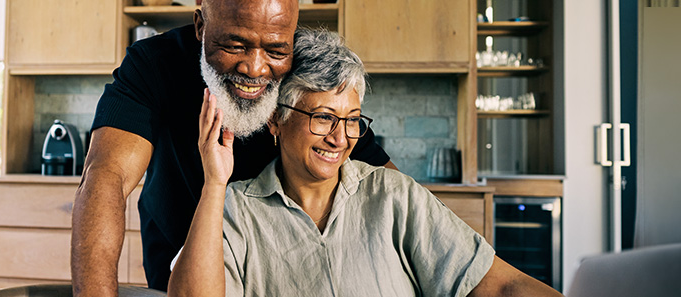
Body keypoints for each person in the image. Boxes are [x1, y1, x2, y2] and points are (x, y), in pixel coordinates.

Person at [167, 28, 563, 297]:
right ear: (276, 119)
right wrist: (215, 183)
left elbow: (498, 285)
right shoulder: (235, 208)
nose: (340, 139)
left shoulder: (395, 196)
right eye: (323, 117)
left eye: (353, 120)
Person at [71, 0, 396, 295]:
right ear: (201, 25)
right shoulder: (154, 64)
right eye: (235, 45)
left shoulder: (306, 66)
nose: (255, 69)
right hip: (178, 265)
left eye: (276, 51)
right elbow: (106, 176)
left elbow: (388, 186)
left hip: (277, 274)